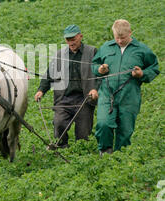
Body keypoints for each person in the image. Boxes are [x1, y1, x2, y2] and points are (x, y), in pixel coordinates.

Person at [91, 19, 160, 156]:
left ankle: (121, 157)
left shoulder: (142, 49)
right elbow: (94, 65)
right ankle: (105, 152)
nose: (120, 41)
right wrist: (99, 69)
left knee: (125, 129)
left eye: (123, 38)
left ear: (130, 33)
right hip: (107, 94)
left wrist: (142, 74)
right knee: (104, 123)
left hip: (129, 95)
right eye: (117, 38)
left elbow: (154, 68)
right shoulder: (106, 47)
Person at [34, 25, 99, 148]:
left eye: (73, 39)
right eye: (68, 40)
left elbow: (100, 75)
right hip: (64, 98)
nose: (71, 42)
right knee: (59, 124)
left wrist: (95, 89)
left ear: (80, 36)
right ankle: (63, 149)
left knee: (83, 135)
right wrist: (41, 90)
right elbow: (49, 74)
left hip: (84, 98)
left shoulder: (92, 52)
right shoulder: (60, 54)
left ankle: (80, 155)